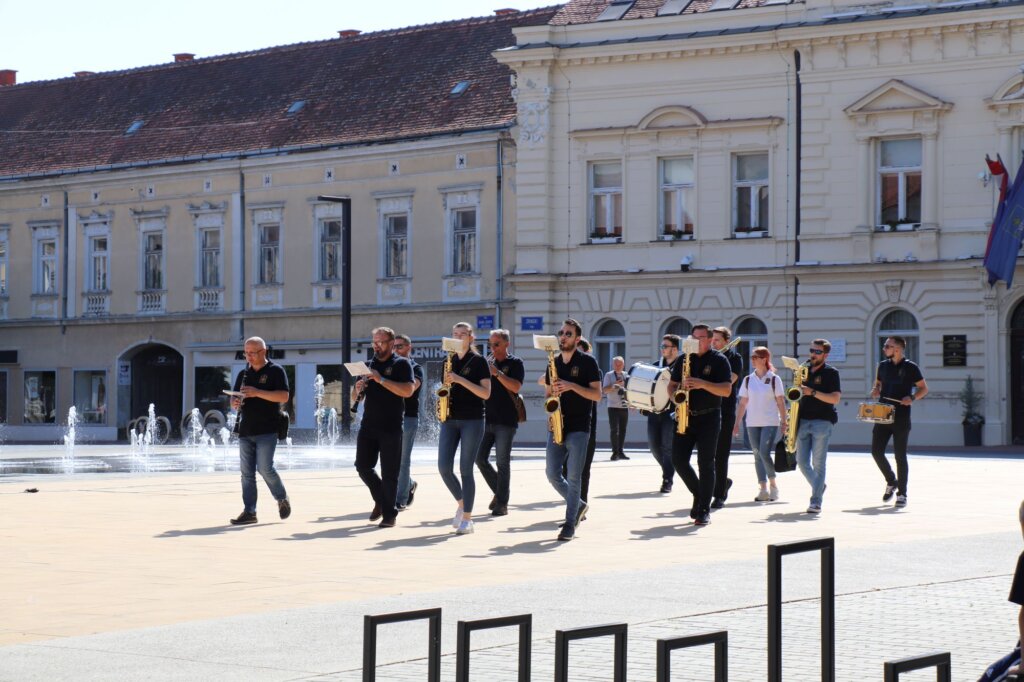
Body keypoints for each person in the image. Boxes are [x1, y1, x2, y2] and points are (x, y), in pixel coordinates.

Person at [668, 324, 733, 526]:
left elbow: (726, 390)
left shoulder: (719, 360)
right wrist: (675, 398)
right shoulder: (683, 359)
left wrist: (702, 383)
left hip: (709, 418)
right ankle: (699, 492)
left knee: (706, 464)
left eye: (700, 338)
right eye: (693, 337)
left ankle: (704, 510)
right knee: (678, 460)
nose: (695, 341)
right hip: (685, 415)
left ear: (710, 339)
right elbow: (672, 385)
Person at [543, 319, 602, 541]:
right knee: (552, 473)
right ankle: (579, 504)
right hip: (557, 425)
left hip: (579, 426)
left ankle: (569, 524)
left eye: (568, 333)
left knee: (574, 477)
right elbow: (548, 394)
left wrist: (571, 386)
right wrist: (551, 408)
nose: (563, 336)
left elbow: (597, 395)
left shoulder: (588, 362)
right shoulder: (553, 362)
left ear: (577, 339)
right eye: (561, 332)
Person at [351, 327, 415, 528]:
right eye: (374, 342)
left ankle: (389, 514)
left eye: (381, 342)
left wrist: (381, 379)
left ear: (391, 343)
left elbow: (408, 390)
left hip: (391, 426)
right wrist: (357, 389)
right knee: (362, 466)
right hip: (368, 425)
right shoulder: (367, 365)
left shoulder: (401, 364)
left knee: (389, 473)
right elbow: (354, 397)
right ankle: (381, 499)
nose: (377, 346)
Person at [228, 337, 291, 525]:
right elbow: (233, 398)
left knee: (265, 468)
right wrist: (235, 402)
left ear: (263, 352)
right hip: (246, 429)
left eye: (252, 353)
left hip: (267, 428)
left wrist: (257, 392)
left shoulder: (275, 371)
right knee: (246, 474)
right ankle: (250, 512)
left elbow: (284, 396)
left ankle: (281, 498)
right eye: (246, 353)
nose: (249, 356)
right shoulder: (243, 373)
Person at [438, 322, 491, 535]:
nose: (458, 337)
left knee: (465, 469)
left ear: (471, 338)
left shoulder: (479, 361)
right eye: (455, 334)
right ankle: (462, 503)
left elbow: (485, 393)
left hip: (472, 420)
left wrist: (460, 380)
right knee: (444, 467)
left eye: (462, 334)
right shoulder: (447, 361)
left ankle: (467, 519)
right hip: (450, 419)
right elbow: (445, 389)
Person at [869, 335, 928, 508]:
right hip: (882, 413)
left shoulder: (911, 367)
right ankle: (891, 481)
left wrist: (912, 398)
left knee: (900, 456)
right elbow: (877, 384)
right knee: (876, 452)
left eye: (887, 346)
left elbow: (924, 388)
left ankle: (902, 494)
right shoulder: (882, 366)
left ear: (898, 349)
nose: (884, 348)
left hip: (901, 415)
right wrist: (875, 390)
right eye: (884, 346)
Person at [475, 329, 525, 517]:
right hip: (486, 419)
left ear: (506, 344)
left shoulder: (515, 363)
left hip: (506, 420)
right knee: (479, 458)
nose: (492, 348)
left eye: (496, 344)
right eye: (490, 344)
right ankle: (500, 492)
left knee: (502, 462)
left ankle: (502, 503)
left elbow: (516, 387)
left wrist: (496, 373)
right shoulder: (486, 362)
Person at [795, 338, 842, 514]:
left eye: (817, 352)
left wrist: (812, 392)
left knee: (818, 464)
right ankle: (819, 485)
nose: (813, 354)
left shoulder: (831, 372)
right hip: (802, 420)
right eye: (811, 350)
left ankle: (816, 501)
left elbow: (835, 398)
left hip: (822, 421)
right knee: (801, 462)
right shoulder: (803, 369)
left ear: (825, 355)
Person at [734, 346, 787, 502]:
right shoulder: (748, 379)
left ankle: (773, 486)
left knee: (764, 452)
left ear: (764, 359)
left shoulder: (774, 379)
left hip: (770, 422)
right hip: (752, 422)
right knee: (757, 455)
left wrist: (784, 421)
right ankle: (763, 489)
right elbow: (743, 403)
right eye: (752, 357)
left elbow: (781, 402)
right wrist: (737, 423)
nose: (752, 360)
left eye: (755, 357)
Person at [710, 326, 743, 508]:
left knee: (721, 455)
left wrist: (706, 382)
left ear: (726, 341)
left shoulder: (734, 358)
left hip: (725, 411)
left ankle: (719, 494)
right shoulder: (708, 356)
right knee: (708, 455)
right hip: (707, 410)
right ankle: (721, 482)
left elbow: (729, 380)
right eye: (712, 340)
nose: (713, 343)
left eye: (717, 340)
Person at [393, 334, 423, 511]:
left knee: (403, 460)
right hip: (390, 417)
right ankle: (409, 483)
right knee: (391, 459)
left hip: (408, 418)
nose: (396, 350)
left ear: (409, 347)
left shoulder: (416, 368)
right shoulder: (390, 366)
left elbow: (410, 390)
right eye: (394, 347)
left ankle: (401, 499)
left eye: (400, 346)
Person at [647, 334, 680, 493]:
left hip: (671, 412)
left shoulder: (682, 367)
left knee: (667, 447)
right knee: (654, 447)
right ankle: (670, 469)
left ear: (675, 349)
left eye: (665, 346)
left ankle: (667, 479)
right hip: (655, 412)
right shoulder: (656, 366)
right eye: (662, 346)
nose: (662, 349)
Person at [603, 356, 630, 461]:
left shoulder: (626, 375)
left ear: (623, 365)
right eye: (616, 364)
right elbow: (604, 390)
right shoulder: (608, 375)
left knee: (623, 430)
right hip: (612, 406)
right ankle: (615, 453)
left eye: (620, 364)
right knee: (614, 430)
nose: (618, 366)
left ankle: (621, 452)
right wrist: (614, 385)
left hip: (624, 406)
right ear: (612, 365)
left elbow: (630, 390)